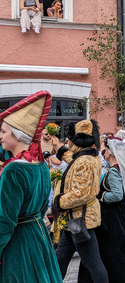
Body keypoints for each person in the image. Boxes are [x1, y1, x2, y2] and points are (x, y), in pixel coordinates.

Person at [0, 90, 61, 283]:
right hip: (38, 234)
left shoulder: (14, 170)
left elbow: (5, 219)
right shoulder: (41, 164)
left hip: (17, 242)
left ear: (17, 135)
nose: (0, 136)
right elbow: (43, 206)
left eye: (3, 131)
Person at [77, 131, 125, 283]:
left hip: (113, 215)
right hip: (119, 212)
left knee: (114, 247)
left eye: (105, 149)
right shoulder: (120, 168)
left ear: (110, 152)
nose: (104, 152)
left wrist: (99, 195)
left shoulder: (114, 170)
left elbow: (117, 195)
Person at [54, 119, 108, 283]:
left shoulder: (85, 160)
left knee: (93, 264)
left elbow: (81, 194)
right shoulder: (87, 156)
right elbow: (75, 162)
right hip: (75, 220)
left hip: (82, 219)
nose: (68, 142)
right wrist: (61, 150)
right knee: (59, 261)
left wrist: (59, 202)